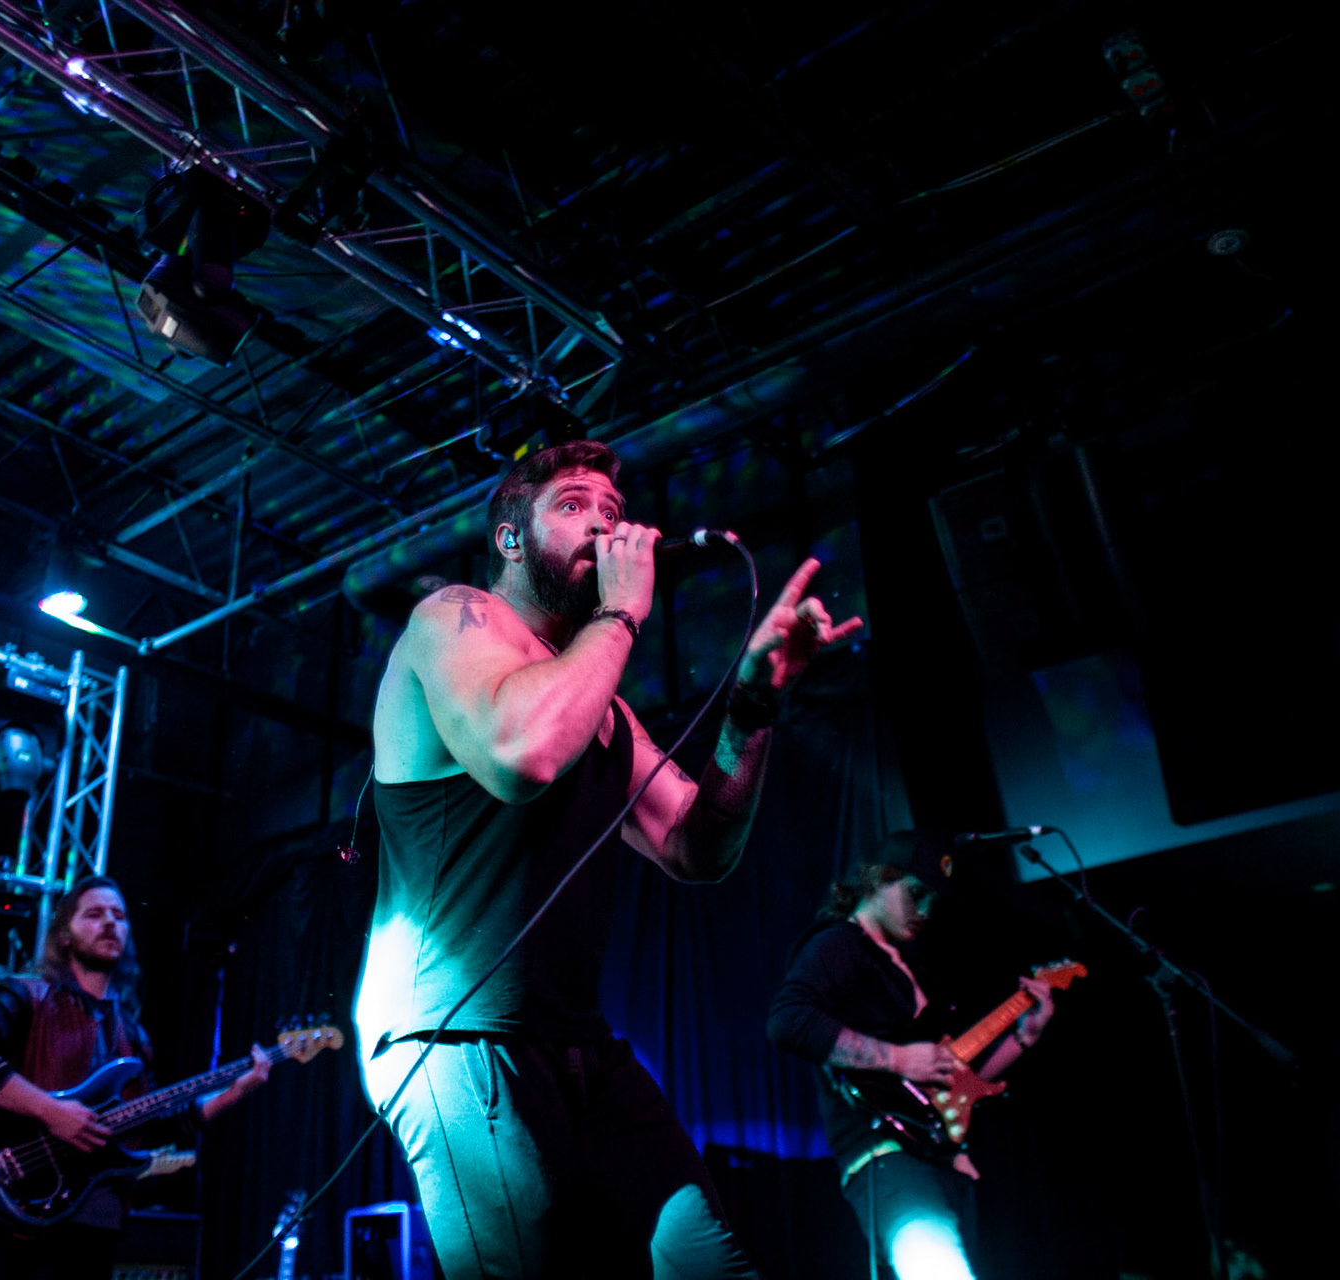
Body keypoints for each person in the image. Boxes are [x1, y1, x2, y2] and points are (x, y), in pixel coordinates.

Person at [354, 439, 861, 1279]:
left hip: (576, 1041)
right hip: (454, 1034)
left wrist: (753, 704)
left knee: (705, 1263)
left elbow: (697, 846)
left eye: (614, 511)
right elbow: (520, 754)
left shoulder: (604, 709)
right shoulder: (454, 617)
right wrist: (621, 615)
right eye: (573, 506)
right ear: (511, 539)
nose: (603, 525)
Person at [0, 875, 272, 1279]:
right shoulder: (27, 994)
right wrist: (52, 1111)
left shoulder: (133, 1034)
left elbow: (147, 1126)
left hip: (97, 1222)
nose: (110, 923)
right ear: (64, 934)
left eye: (119, 916)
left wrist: (232, 1093)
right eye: (94, 914)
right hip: (17, 1206)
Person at [765, 832, 1056, 1280]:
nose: (925, 910)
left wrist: (1024, 1037)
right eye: (915, 893)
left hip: (939, 1153)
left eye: (932, 900)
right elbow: (788, 1021)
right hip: (884, 1153)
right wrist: (897, 1059)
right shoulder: (839, 944)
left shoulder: (910, 965)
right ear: (877, 880)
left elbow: (957, 1077)